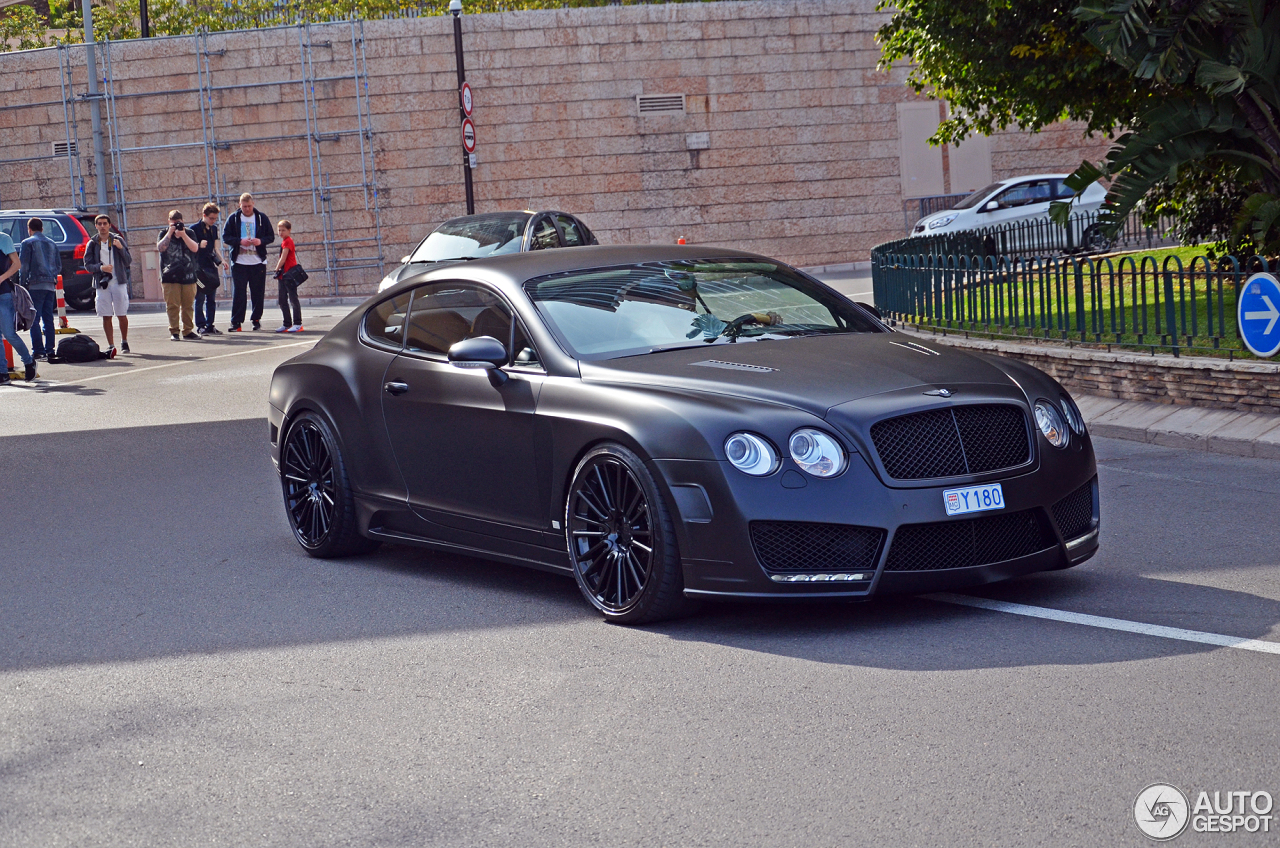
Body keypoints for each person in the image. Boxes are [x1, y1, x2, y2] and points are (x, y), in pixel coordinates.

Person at [222, 192, 274, 331]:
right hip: (240, 262)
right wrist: (239, 241)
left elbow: (271, 236)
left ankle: (256, 320)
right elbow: (225, 237)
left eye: (249, 206)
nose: (247, 209)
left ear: (253, 204)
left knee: (257, 292)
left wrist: (260, 241)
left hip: (257, 261)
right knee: (239, 292)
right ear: (240, 205)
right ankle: (236, 322)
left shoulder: (261, 218)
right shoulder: (233, 218)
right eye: (244, 206)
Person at [83, 214, 132, 356]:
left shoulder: (118, 240)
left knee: (121, 313)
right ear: (96, 226)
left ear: (109, 225)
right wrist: (101, 268)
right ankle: (111, 344)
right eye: (100, 224)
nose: (103, 226)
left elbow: (128, 261)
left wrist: (120, 248)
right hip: (102, 283)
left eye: (105, 223)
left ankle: (124, 340)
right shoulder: (92, 243)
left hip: (118, 281)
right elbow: (87, 265)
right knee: (106, 315)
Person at [19, 217, 61, 363]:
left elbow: (23, 266)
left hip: (34, 285)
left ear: (29, 229)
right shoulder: (52, 243)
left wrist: (22, 284)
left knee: (34, 319)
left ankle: (38, 351)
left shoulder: (27, 243)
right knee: (48, 318)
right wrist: (53, 278)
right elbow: (58, 265)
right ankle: (50, 349)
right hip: (50, 284)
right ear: (42, 229)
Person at [158, 210, 201, 341]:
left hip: (188, 275)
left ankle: (188, 330)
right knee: (172, 305)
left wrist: (183, 235)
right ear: (169, 222)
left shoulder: (189, 233)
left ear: (183, 221)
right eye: (174, 223)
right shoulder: (163, 233)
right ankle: (174, 331)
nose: (176, 226)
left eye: (179, 223)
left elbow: (195, 248)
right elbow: (160, 248)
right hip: (169, 276)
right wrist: (170, 233)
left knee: (188, 305)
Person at [0, 227, 36, 382]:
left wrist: (1, 278)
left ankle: (29, 362)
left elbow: (17, 264)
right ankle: (2, 373)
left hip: (3, 293)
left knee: (9, 334)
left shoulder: (3, 238)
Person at [190, 202, 225, 335]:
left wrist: (222, 260)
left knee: (211, 298)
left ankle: (210, 324)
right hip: (198, 269)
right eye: (211, 218)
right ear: (204, 215)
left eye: (215, 218)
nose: (213, 221)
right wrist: (199, 245)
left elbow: (215, 248)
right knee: (199, 298)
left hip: (210, 268)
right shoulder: (194, 229)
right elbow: (189, 249)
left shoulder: (213, 229)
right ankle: (200, 325)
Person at [273, 219, 303, 333]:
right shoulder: (284, 241)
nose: (281, 232)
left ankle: (297, 323)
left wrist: (276, 268)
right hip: (284, 275)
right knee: (282, 300)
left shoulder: (288, 241)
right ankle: (287, 323)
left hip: (289, 274)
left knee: (293, 298)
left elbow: (284, 257)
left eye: (283, 230)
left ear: (289, 230)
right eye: (279, 230)